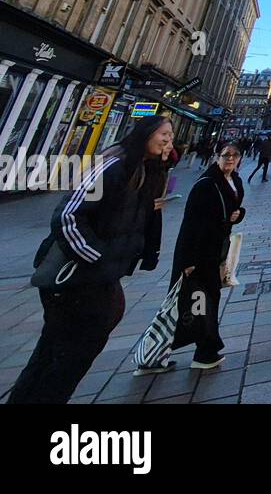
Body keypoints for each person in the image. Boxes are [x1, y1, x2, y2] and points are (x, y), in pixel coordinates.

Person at [8, 115, 172, 404]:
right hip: (76, 278)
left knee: (58, 355)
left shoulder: (143, 170)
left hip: (96, 279)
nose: (169, 140)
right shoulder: (113, 163)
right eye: (164, 134)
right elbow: (68, 215)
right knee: (66, 359)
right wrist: (97, 259)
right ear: (145, 133)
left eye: (171, 135)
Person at [140, 141, 246, 374]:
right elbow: (191, 226)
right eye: (226, 155)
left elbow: (232, 211)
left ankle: (201, 351)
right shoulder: (206, 185)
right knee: (190, 304)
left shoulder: (235, 181)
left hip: (216, 251)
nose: (230, 159)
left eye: (235, 156)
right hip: (198, 254)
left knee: (203, 302)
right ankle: (168, 353)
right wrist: (188, 262)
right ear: (216, 156)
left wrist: (237, 216)